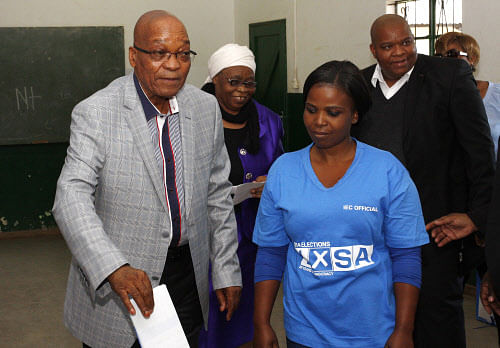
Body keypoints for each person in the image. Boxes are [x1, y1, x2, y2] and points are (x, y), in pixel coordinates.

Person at [52, 10, 242, 348]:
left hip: (187, 274)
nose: (173, 64)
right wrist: (114, 267)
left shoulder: (205, 108)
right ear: (134, 56)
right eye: (159, 53)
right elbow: (71, 197)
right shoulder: (97, 113)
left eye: (183, 54)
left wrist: (226, 267)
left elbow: (218, 194)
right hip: (122, 280)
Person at [252, 60, 429, 348]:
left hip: (373, 333)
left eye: (333, 112)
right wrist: (261, 324)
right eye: (311, 109)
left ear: (355, 115)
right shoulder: (284, 171)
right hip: (304, 333)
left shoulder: (387, 171)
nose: (319, 121)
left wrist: (404, 330)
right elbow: (271, 254)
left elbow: (406, 257)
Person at [351, 14, 495, 348]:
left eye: (406, 42)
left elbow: (480, 154)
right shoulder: (357, 85)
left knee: (435, 321)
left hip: (434, 229)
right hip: (369, 229)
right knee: (377, 319)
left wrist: (477, 216)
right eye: (388, 46)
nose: (400, 52)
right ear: (373, 50)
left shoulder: (448, 77)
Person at [198, 43, 284, 348]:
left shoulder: (268, 120)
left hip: (249, 237)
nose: (242, 90)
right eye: (234, 81)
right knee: (205, 314)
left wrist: (270, 181)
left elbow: (280, 165)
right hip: (202, 236)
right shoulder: (191, 117)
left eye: (249, 82)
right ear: (214, 80)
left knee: (241, 313)